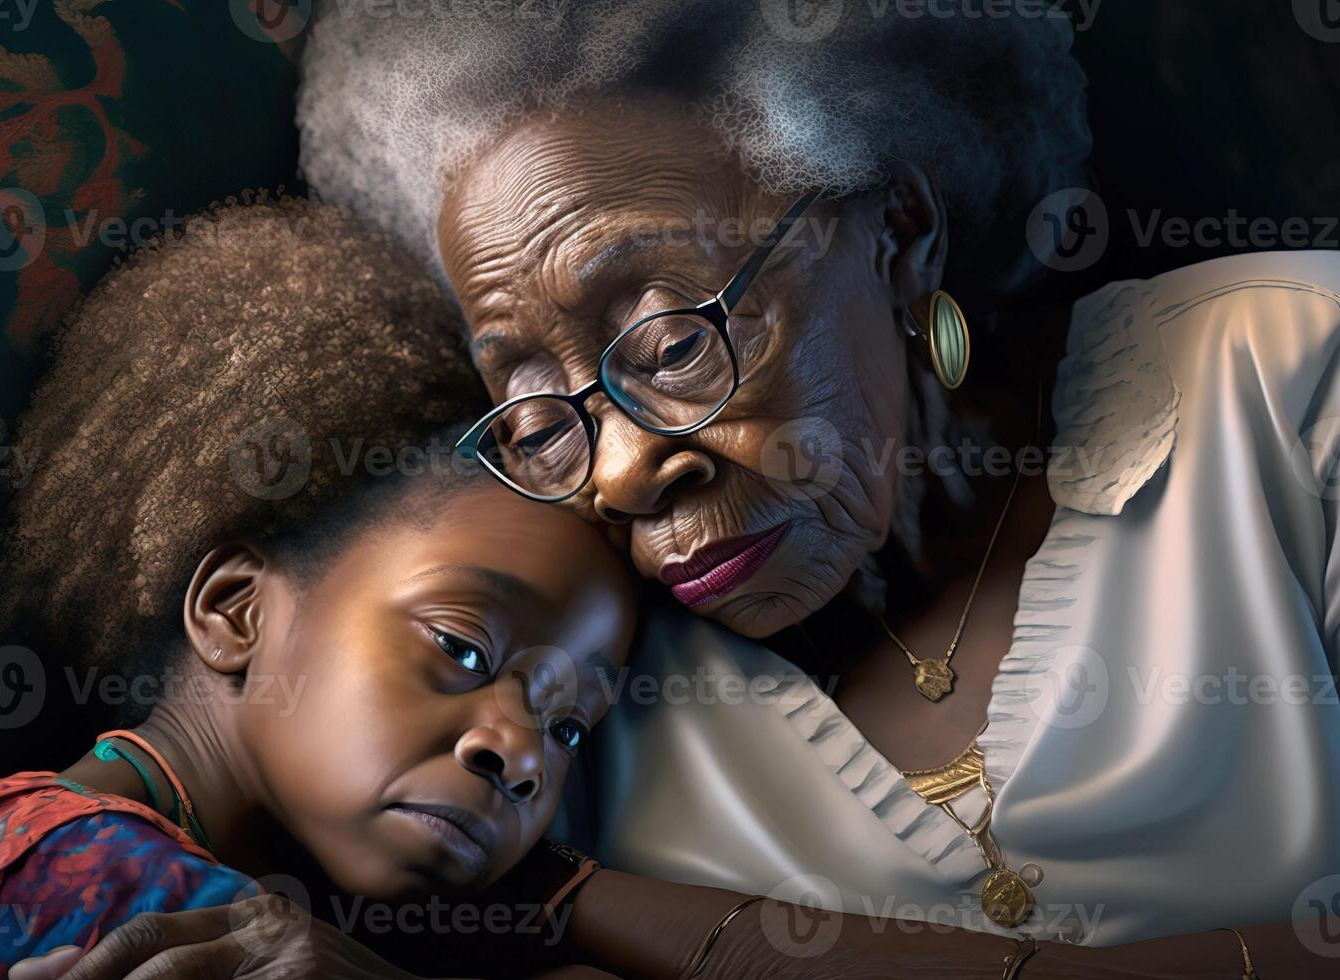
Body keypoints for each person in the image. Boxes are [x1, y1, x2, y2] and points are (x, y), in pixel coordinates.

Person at [289, 1, 1340, 975]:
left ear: (898, 236)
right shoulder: (574, 704)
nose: (617, 476)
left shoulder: (1289, 378)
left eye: (667, 344)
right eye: (534, 411)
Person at [0, 198, 634, 980]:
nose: (522, 757)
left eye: (569, 726)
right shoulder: (136, 910)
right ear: (234, 611)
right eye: (464, 649)